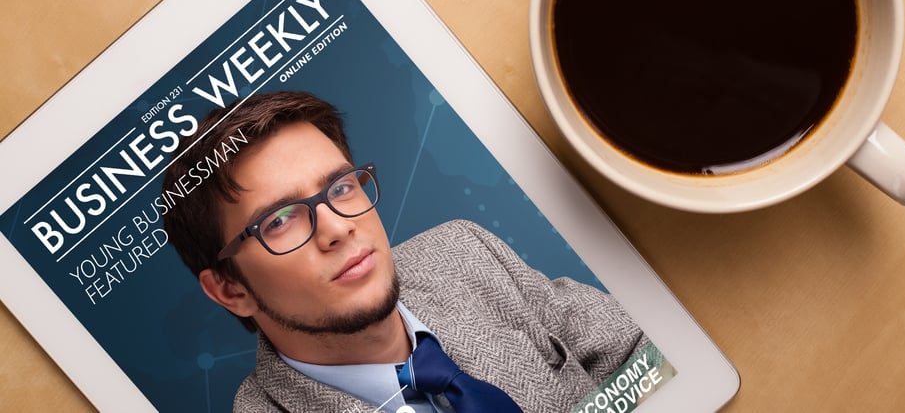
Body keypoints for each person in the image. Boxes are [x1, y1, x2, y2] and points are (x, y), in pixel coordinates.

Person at [163, 91, 648, 413]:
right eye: (280, 219)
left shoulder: (463, 250)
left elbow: (642, 353)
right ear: (229, 289)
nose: (336, 228)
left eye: (340, 186)